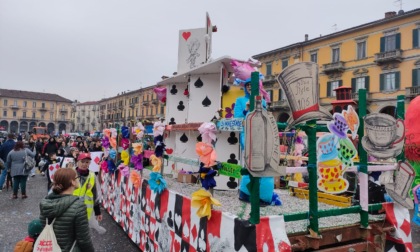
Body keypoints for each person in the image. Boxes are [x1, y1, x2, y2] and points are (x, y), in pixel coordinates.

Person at [39, 168, 95, 251]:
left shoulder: (46, 203)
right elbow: (83, 239)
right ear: (72, 182)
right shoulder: (78, 206)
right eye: (77, 177)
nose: (79, 179)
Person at [74, 153, 102, 222]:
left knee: (82, 231)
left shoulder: (92, 176)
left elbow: (95, 194)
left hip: (85, 211)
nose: (84, 164)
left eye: (87, 162)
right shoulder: (71, 173)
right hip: (71, 209)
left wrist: (97, 212)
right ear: (78, 162)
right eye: (82, 161)